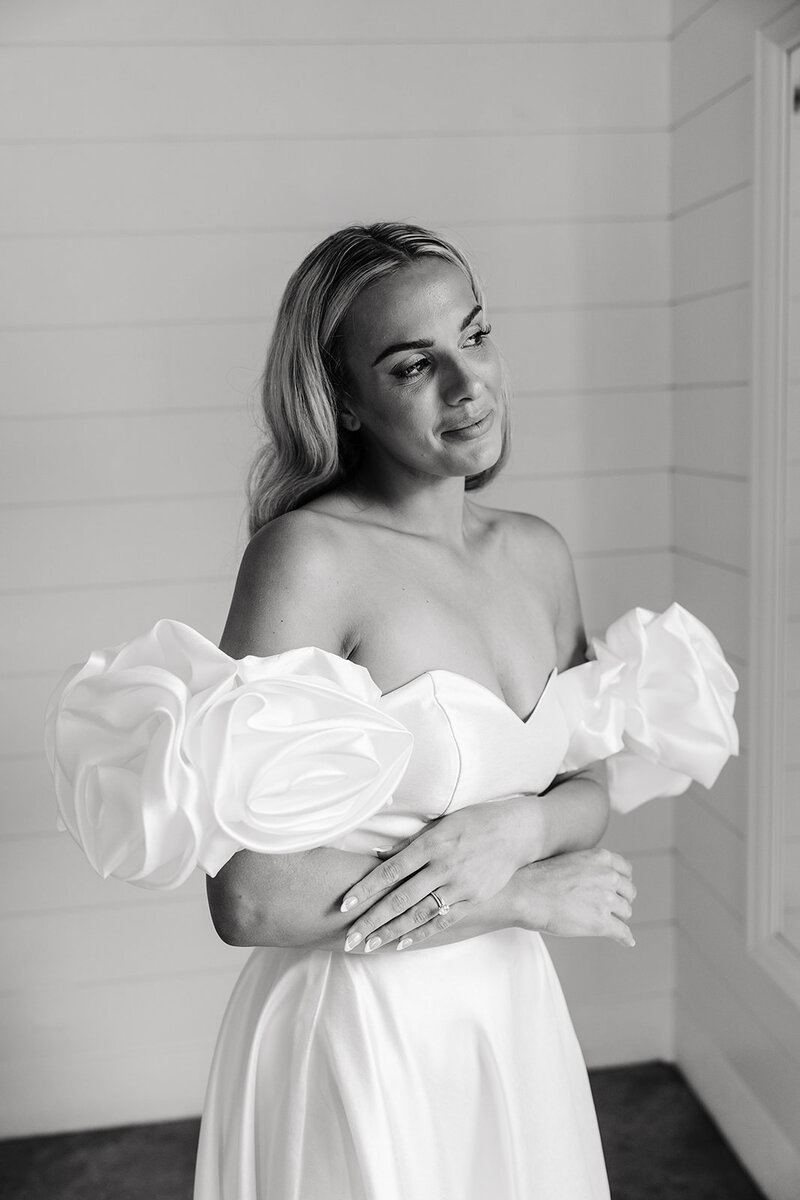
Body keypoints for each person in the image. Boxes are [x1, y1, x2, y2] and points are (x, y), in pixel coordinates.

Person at [45, 222, 739, 1200]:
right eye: (415, 365)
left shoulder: (535, 553)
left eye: (476, 336)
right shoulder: (308, 561)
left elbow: (586, 781)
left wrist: (525, 824)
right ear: (344, 401)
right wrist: (514, 894)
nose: (468, 385)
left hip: (507, 1012)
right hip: (360, 1036)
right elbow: (248, 898)